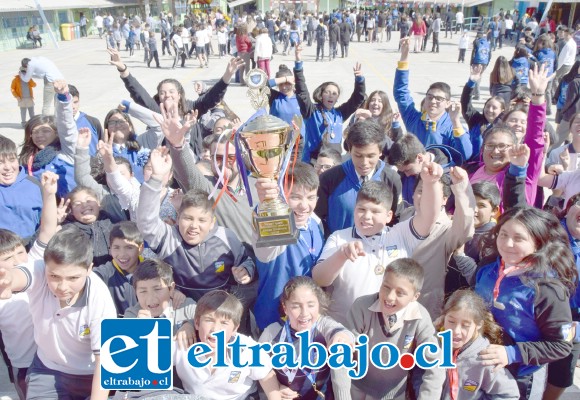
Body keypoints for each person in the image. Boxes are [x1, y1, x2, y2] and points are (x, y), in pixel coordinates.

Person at [313, 162, 442, 325]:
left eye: (375, 211)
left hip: (388, 334)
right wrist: (341, 255)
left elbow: (428, 217)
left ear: (389, 216)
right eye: (361, 209)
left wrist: (431, 183)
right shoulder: (339, 238)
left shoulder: (400, 235)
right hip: (345, 331)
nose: (366, 216)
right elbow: (319, 279)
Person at [0, 225, 116, 400]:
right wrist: (8, 281)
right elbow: (20, 276)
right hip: (47, 369)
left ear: (89, 269)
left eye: (73, 278)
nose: (62, 287)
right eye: (54, 277)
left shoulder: (99, 297)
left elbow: (104, 361)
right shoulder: (39, 270)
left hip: (90, 375)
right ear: (44, 266)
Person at [475, 207, 576, 398]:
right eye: (503, 234)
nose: (507, 243)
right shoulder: (487, 267)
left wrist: (512, 354)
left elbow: (561, 345)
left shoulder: (547, 288)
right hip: (482, 366)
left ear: (538, 243)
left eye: (519, 238)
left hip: (521, 377)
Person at [346, 258, 445, 399]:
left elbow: (435, 364)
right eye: (386, 287)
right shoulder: (361, 306)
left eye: (400, 293)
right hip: (357, 387)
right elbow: (345, 352)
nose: (390, 297)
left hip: (394, 392)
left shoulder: (420, 317)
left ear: (415, 297)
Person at [251, 163, 324, 330]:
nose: (304, 206)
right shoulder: (277, 226)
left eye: (311, 197)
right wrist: (266, 205)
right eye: (296, 197)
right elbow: (266, 249)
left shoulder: (315, 222)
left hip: (307, 322)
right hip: (273, 325)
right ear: (281, 195)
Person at [173, 290, 280, 399]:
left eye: (224, 323)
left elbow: (267, 376)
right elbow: (156, 364)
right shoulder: (182, 343)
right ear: (197, 323)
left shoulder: (247, 349)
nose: (215, 329)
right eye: (209, 320)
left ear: (235, 328)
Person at [260, 276, 354, 399]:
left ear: (318, 304)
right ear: (285, 308)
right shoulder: (272, 333)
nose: (304, 313)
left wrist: (342, 337)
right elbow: (258, 370)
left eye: (311, 305)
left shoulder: (323, 325)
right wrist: (277, 387)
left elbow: (340, 331)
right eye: (296, 306)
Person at [314, 120, 402, 235]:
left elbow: (395, 219)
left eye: (371, 156)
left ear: (380, 151)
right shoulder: (329, 179)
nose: (364, 162)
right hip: (339, 248)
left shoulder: (392, 179)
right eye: (358, 155)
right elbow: (318, 219)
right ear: (349, 150)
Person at [395, 37, 472, 162]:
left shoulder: (451, 126)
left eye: (439, 99)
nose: (433, 101)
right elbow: (401, 93)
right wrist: (404, 57)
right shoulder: (414, 119)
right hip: (413, 175)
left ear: (448, 103)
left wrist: (456, 121)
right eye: (429, 97)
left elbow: (465, 154)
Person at [436, 290, 519, 399]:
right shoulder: (434, 346)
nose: (456, 331)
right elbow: (419, 375)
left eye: (465, 325)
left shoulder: (485, 360)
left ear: (478, 324)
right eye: (451, 322)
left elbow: (509, 395)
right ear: (443, 318)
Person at [294, 45, 366, 162]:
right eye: (327, 92)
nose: (331, 95)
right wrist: (298, 63)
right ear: (321, 95)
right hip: (313, 162)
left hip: (334, 162)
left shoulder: (339, 114)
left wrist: (360, 80)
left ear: (337, 98)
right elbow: (301, 91)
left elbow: (358, 99)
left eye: (334, 93)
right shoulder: (311, 111)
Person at [18, 80, 78, 198]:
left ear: (56, 133)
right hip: (44, 213)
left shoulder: (67, 152)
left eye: (45, 131)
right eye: (34, 132)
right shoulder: (26, 161)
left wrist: (63, 98)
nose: (39, 135)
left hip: (72, 211)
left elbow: (66, 127)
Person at [123, 259, 196, 331]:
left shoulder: (188, 308)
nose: (151, 298)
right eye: (143, 291)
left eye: (157, 289)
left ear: (171, 289)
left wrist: (189, 324)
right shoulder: (132, 316)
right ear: (135, 292)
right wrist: (137, 329)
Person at [93, 221, 143, 316]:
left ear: (140, 248)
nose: (122, 254)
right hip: (116, 328)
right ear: (110, 250)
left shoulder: (152, 271)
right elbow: (85, 279)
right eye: (116, 248)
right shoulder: (104, 273)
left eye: (129, 247)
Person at [67, 84, 103, 157]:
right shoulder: (55, 124)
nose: (73, 107)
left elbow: (101, 144)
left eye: (75, 102)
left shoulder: (93, 122)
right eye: (68, 103)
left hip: (93, 166)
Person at [553, 61, 580, 150]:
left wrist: (564, 110)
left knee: (559, 137)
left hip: (571, 114)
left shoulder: (575, 82)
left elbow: (570, 100)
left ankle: (550, 154)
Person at [470, 30, 491, 100]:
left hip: (477, 61)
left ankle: (477, 94)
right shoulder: (487, 43)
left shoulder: (476, 42)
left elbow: (473, 53)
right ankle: (474, 91)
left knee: (475, 77)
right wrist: (487, 63)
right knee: (479, 77)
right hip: (484, 62)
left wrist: (471, 62)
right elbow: (490, 54)